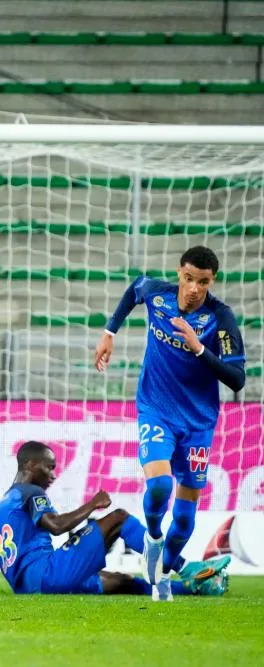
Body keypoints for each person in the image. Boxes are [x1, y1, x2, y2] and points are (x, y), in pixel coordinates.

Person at [94, 246, 244, 600]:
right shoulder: (157, 293)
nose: (194, 288)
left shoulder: (220, 318)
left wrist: (198, 348)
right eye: (189, 278)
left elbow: (237, 379)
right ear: (180, 272)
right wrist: (109, 333)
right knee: (160, 485)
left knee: (186, 518)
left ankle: (162, 570)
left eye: (202, 282)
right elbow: (134, 289)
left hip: (198, 423)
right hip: (156, 410)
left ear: (212, 281)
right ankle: (153, 539)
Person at [0, 441, 229, 598]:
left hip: (28, 587)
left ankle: (195, 588)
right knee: (119, 519)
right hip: (47, 575)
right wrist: (93, 504)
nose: (54, 475)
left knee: (121, 581)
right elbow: (56, 526)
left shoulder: (8, 499)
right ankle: (185, 567)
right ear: (30, 464)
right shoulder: (31, 492)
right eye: (49, 468)